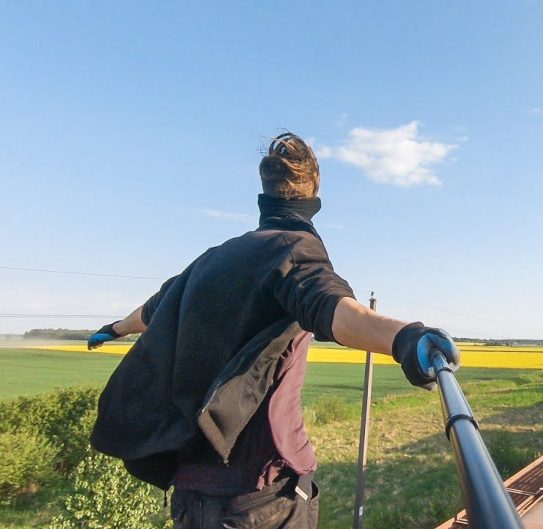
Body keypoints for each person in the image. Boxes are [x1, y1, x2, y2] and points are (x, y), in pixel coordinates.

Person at [85, 132, 460, 529]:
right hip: (262, 498)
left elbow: (152, 310)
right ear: (312, 198)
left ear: (264, 197)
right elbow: (334, 310)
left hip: (189, 496)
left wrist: (114, 328)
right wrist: (405, 338)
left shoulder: (210, 260)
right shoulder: (293, 248)